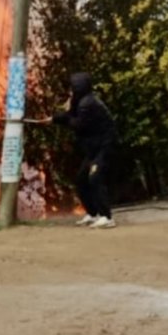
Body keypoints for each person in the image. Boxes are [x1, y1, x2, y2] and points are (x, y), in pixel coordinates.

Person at [50, 72, 119, 229]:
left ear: (78, 88)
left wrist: (65, 119)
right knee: (81, 180)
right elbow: (70, 115)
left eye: (72, 88)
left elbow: (78, 124)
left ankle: (107, 217)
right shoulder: (81, 101)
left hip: (104, 147)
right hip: (94, 148)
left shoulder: (87, 103)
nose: (70, 91)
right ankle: (93, 214)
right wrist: (54, 119)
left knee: (95, 178)